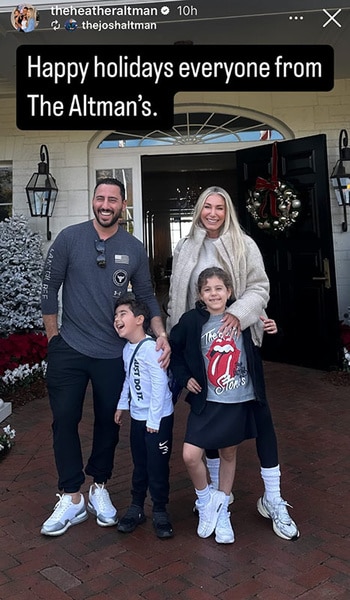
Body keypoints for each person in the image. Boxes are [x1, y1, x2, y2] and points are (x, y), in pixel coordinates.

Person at [166, 185, 299, 541]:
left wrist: (239, 315)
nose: (212, 213)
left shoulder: (245, 244)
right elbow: (178, 298)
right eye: (206, 207)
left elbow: (260, 288)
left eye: (219, 208)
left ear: (228, 212)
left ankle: (273, 498)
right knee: (209, 416)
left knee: (261, 419)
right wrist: (175, 342)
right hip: (200, 348)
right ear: (199, 210)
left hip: (240, 345)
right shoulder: (186, 246)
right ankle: (214, 499)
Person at [40, 177, 170, 537]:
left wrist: (160, 335)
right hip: (69, 346)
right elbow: (49, 287)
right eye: (100, 198)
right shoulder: (69, 238)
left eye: (113, 199)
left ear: (123, 205)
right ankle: (71, 495)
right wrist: (53, 338)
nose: (106, 204)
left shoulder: (134, 247)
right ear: (93, 201)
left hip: (114, 353)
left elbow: (145, 295)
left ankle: (98, 487)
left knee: (108, 423)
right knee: (64, 419)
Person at [170, 267, 260, 543]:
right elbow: (175, 352)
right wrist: (186, 378)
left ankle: (222, 512)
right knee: (190, 455)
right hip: (206, 401)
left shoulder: (241, 318)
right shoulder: (191, 321)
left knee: (228, 455)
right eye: (207, 289)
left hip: (235, 399)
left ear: (229, 292)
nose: (214, 294)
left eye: (219, 288)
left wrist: (270, 325)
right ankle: (207, 500)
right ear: (200, 295)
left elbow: (262, 330)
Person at [114, 296, 174, 539]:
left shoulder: (152, 348)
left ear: (139, 320)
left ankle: (160, 509)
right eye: (116, 315)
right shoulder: (127, 350)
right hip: (139, 419)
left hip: (157, 420)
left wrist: (153, 420)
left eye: (123, 314)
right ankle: (137, 507)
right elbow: (129, 378)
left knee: (157, 465)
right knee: (140, 463)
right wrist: (121, 406)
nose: (117, 319)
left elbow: (160, 385)